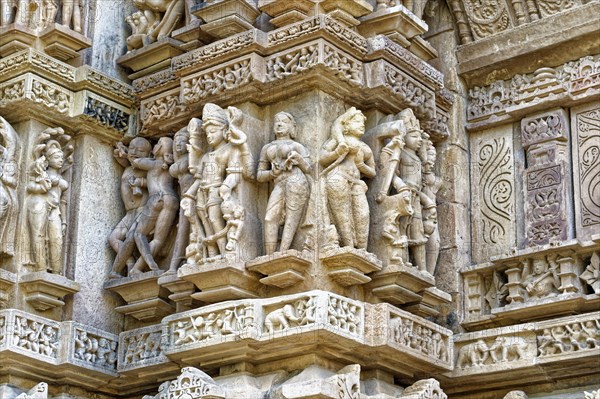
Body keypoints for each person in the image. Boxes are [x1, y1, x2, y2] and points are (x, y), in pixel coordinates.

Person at [183, 103, 254, 262]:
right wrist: (189, 195)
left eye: (213, 131)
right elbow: (199, 179)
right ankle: (211, 254)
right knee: (205, 221)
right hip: (203, 192)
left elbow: (235, 174)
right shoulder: (206, 156)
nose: (209, 136)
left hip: (216, 190)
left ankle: (224, 252)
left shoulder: (230, 150)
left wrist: (226, 187)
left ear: (224, 130)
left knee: (215, 220)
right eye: (207, 133)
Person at [319, 107, 375, 249]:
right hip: (338, 177)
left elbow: (372, 172)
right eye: (356, 121)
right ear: (346, 126)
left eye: (362, 122)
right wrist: (338, 152)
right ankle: (348, 246)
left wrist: (361, 165)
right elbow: (322, 158)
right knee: (342, 215)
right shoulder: (338, 140)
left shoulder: (365, 147)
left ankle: (362, 248)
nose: (361, 125)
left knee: (363, 214)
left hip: (357, 182)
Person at [256, 112, 311, 254]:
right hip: (279, 183)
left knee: (291, 219)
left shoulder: (297, 146)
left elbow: (309, 168)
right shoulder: (267, 148)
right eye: (276, 122)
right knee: (269, 218)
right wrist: (272, 173)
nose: (279, 124)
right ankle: (269, 255)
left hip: (296, 180)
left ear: (292, 127)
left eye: (284, 122)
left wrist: (298, 158)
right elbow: (259, 175)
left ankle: (283, 252)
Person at [25, 129, 71, 274]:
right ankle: (41, 269)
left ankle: (56, 272)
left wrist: (64, 220)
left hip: (55, 209)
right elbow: (28, 186)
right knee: (38, 234)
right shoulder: (40, 172)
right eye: (57, 157)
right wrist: (41, 187)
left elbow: (63, 201)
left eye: (61, 157)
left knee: (57, 238)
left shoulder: (62, 181)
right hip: (39, 203)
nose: (60, 160)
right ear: (48, 159)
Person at [109, 138, 151, 278]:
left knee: (131, 238)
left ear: (149, 155)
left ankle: (124, 268)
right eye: (132, 148)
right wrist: (120, 152)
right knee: (113, 238)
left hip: (142, 211)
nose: (135, 152)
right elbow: (122, 158)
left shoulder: (147, 169)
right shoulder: (128, 167)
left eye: (140, 151)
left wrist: (141, 182)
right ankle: (129, 261)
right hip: (129, 213)